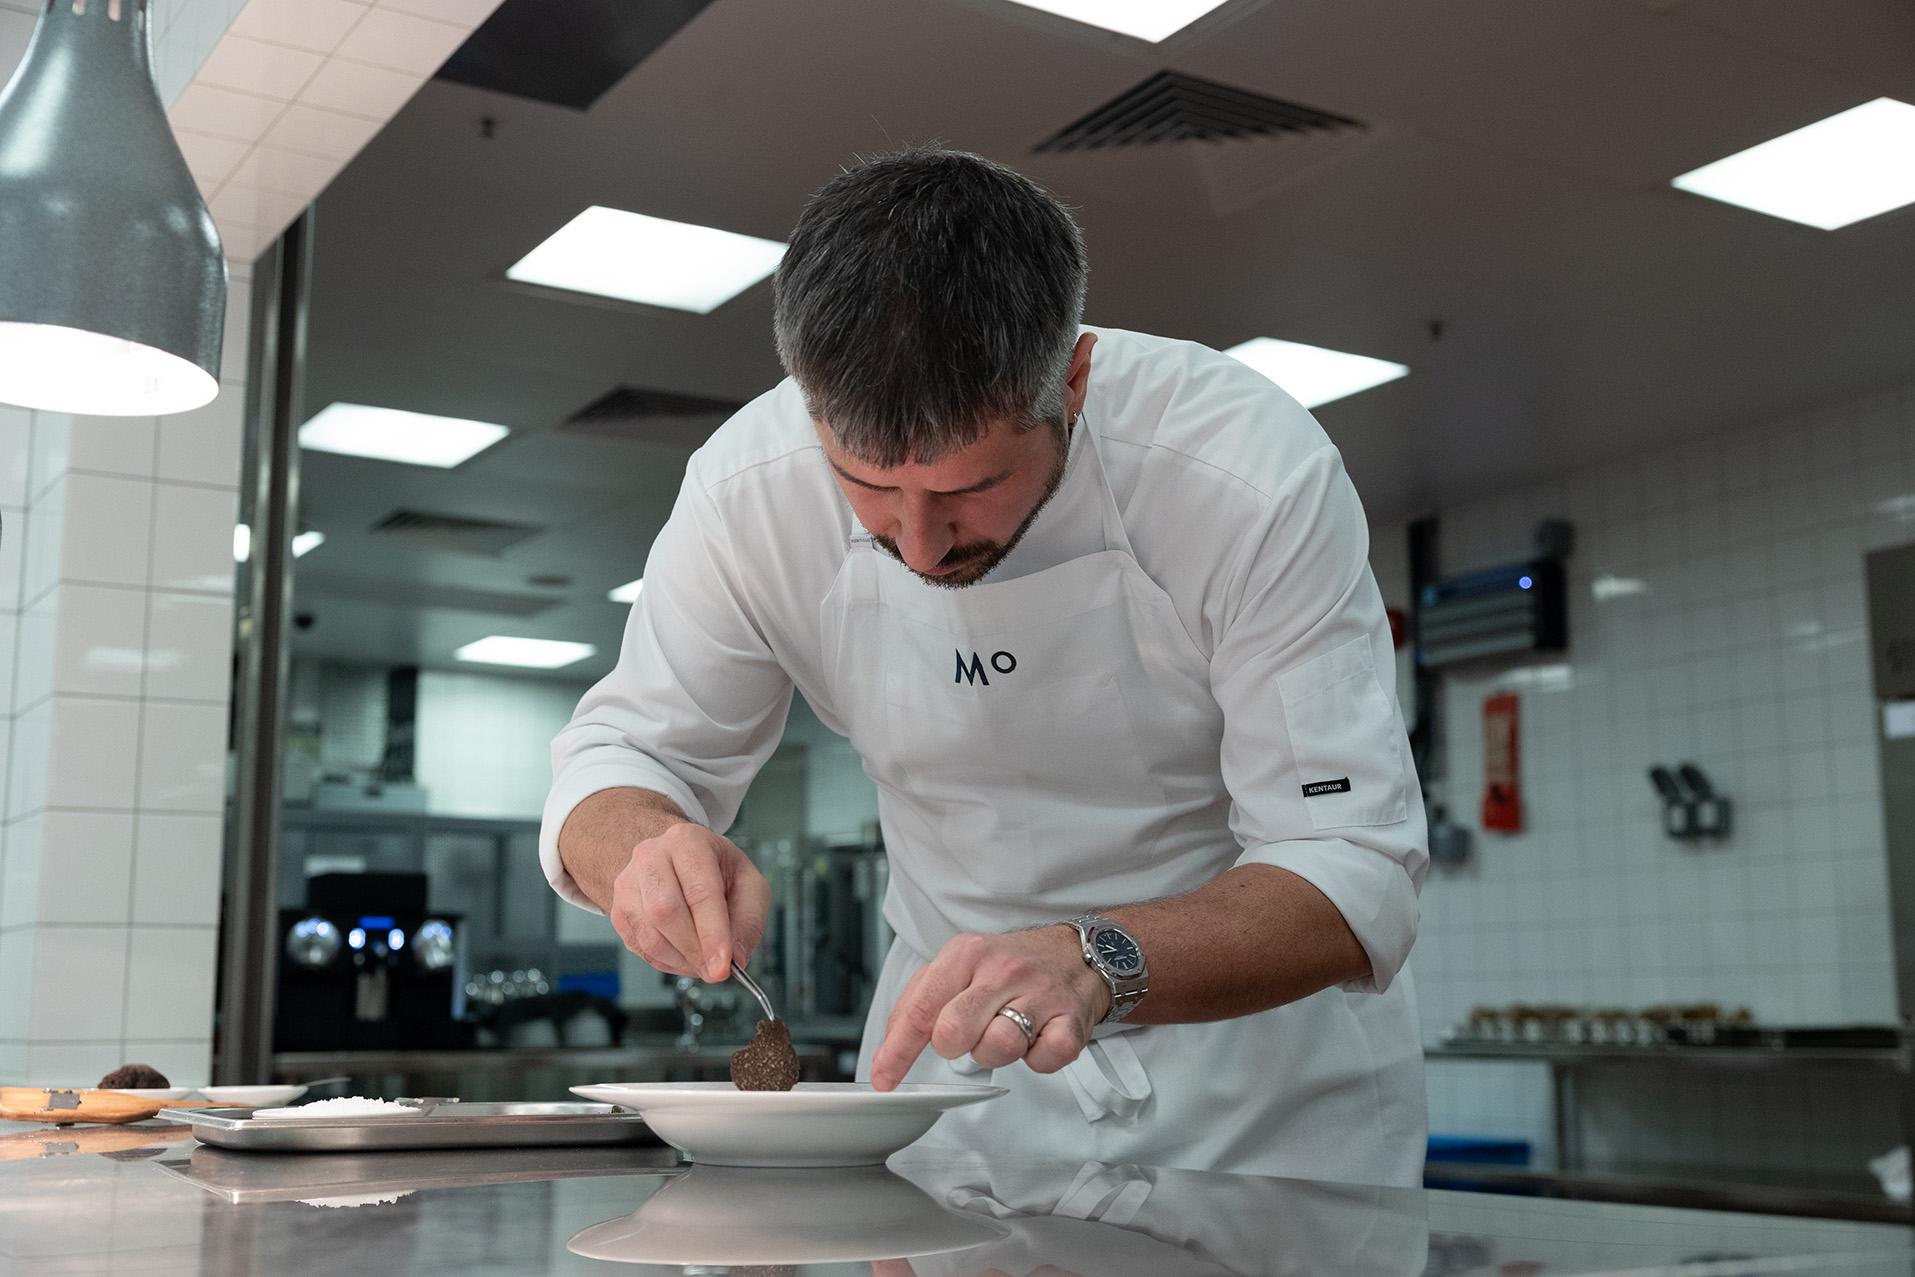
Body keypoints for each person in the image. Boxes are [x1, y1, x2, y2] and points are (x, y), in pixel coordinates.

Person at [541, 146, 1428, 1183]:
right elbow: (623, 751)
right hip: (949, 1094)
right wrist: (641, 842)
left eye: (971, 486)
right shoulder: (746, 493)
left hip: (1259, 1107)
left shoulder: (1241, 471)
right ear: (808, 405)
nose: (917, 545)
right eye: (865, 485)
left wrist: (1098, 956)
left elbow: (1349, 861)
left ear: (1075, 379)